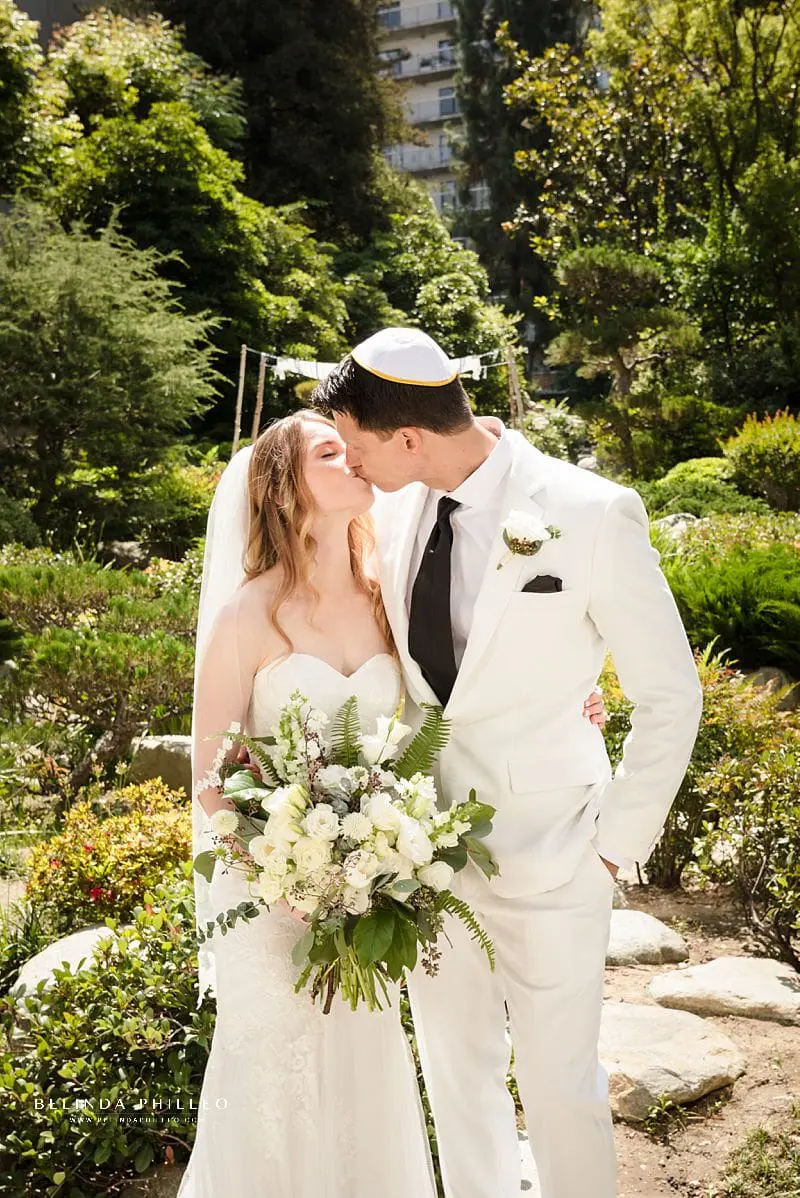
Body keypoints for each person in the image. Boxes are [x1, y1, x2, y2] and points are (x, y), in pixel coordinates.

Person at [308, 326, 704, 1198]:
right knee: (456, 1079)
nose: (355, 464)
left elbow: (673, 695)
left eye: (361, 444)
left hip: (560, 853)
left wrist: (613, 846)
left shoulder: (592, 510)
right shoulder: (395, 509)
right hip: (427, 857)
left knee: (563, 1088)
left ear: (409, 436)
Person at [181, 404, 609, 1198]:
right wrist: (284, 874)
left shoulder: (391, 600)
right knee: (275, 1072)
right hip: (272, 892)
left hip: (369, 890)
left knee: (368, 1061)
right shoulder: (247, 614)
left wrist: (576, 703)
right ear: (282, 490)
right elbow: (210, 775)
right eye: (328, 452)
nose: (354, 460)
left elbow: (461, 690)